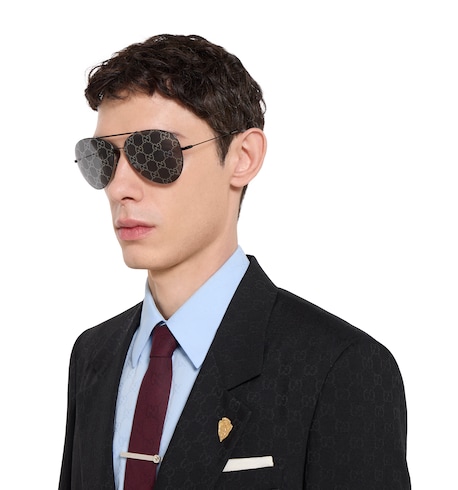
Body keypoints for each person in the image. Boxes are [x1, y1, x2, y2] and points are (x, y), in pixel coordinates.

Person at [59, 34, 411, 489]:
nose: (119, 187)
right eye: (102, 158)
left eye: (155, 152)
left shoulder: (340, 368)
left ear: (243, 157)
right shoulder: (94, 355)